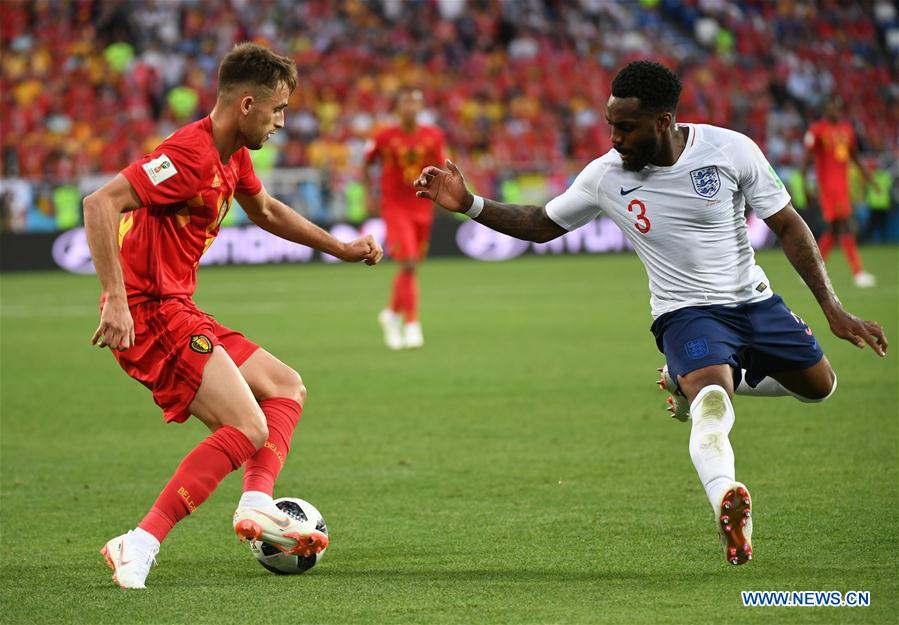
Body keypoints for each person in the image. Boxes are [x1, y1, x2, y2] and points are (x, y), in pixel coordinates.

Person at [414, 61, 888, 566]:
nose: (615, 137)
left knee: (821, 387)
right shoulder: (605, 176)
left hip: (754, 300)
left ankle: (681, 378)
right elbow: (541, 223)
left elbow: (791, 227)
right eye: (610, 124)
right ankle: (728, 499)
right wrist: (470, 203)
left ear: (662, 122)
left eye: (626, 127)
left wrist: (833, 309)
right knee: (710, 404)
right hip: (685, 313)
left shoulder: (731, 149)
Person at [83, 42, 383, 589]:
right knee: (247, 427)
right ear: (247, 105)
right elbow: (100, 203)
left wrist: (339, 247)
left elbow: (266, 210)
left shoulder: (232, 156)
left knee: (286, 387)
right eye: (278, 110)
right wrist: (117, 299)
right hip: (150, 312)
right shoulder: (191, 153)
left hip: (177, 306)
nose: (281, 122)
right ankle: (139, 542)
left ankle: (256, 503)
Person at [363, 87, 446, 349]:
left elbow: (441, 169)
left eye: (416, 103)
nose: (411, 107)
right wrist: (369, 194)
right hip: (395, 206)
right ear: (397, 108)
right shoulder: (385, 137)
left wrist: (443, 196)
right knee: (408, 261)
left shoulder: (433, 136)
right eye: (406, 103)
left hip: (422, 206)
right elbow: (367, 163)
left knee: (411, 266)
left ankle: (390, 314)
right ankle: (411, 323)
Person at [803, 95, 878, 287]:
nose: (835, 111)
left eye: (838, 107)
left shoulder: (847, 130)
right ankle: (858, 272)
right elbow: (806, 158)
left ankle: (812, 271)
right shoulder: (817, 130)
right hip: (828, 187)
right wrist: (805, 184)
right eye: (831, 107)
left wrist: (870, 180)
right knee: (844, 225)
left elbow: (855, 157)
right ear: (825, 110)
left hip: (843, 186)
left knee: (834, 230)